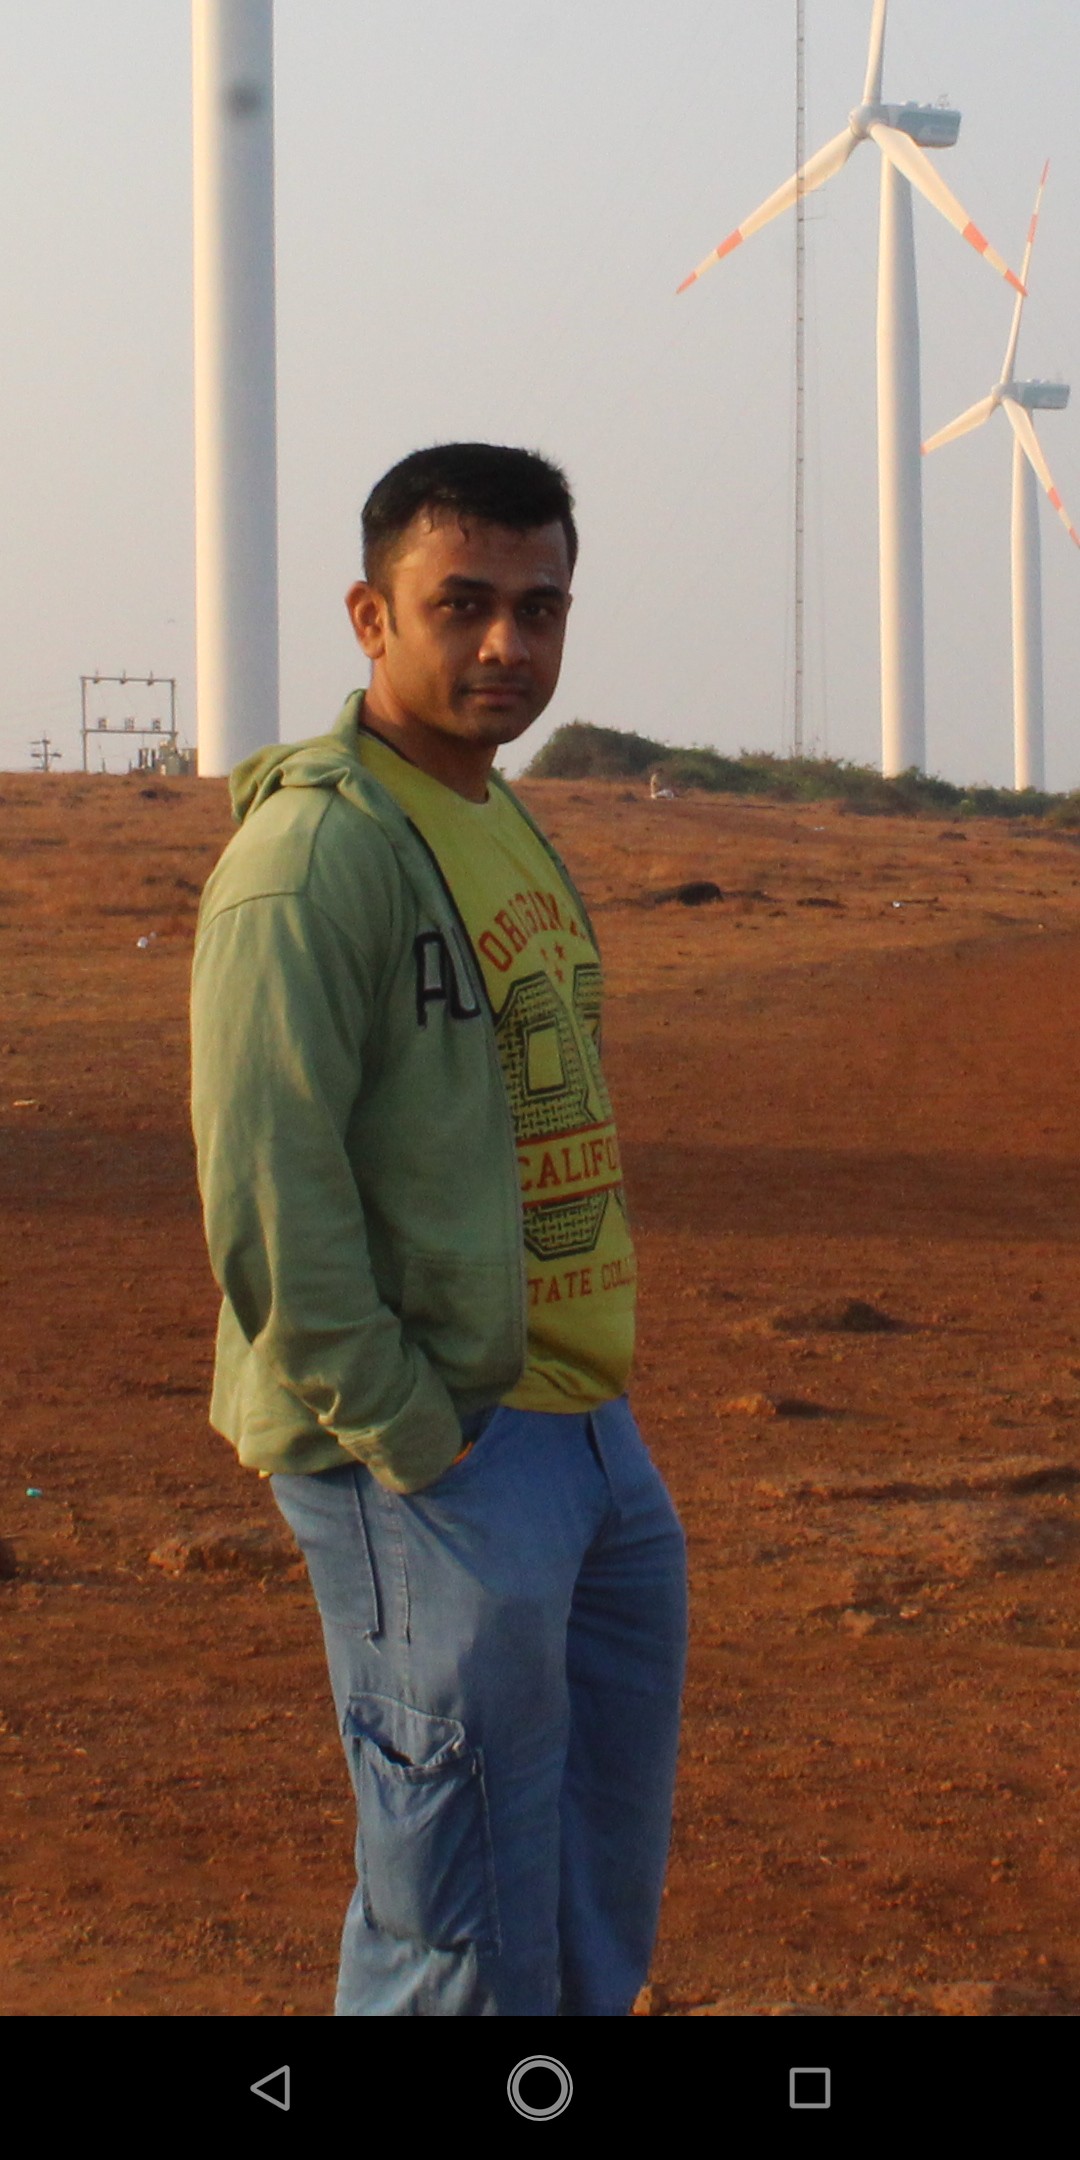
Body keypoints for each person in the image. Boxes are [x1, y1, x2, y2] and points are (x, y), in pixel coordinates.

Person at [190, 442, 687, 2018]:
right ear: (370, 615)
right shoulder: (312, 857)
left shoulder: (498, 816)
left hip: (587, 1433)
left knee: (588, 1892)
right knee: (455, 1920)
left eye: (540, 608)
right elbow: (268, 1191)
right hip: (440, 1446)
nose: (506, 644)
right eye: (461, 604)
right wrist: (414, 1431)